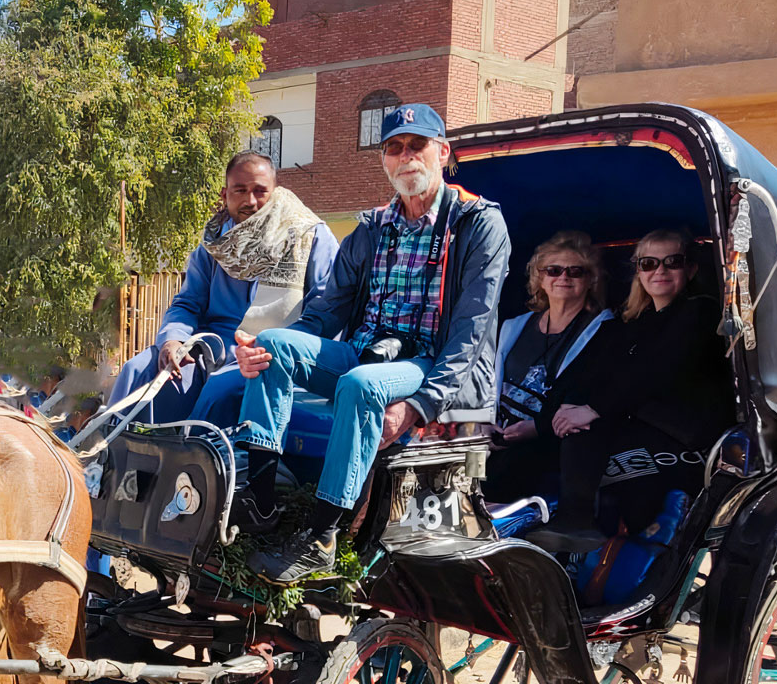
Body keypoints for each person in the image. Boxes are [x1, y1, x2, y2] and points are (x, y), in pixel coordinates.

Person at [232, 103, 511, 582]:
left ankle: (321, 537)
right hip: (367, 351)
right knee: (274, 343)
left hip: (432, 364)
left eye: (417, 146)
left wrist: (420, 405)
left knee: (362, 385)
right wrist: (262, 350)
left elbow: (472, 331)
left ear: (442, 153)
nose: (406, 157)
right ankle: (260, 502)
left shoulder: (478, 223)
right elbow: (325, 312)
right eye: (394, 148)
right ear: (384, 160)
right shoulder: (371, 228)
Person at [524, 229, 733, 555]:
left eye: (672, 263)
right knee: (559, 433)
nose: (659, 271)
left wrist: (593, 409)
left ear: (690, 270)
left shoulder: (700, 312)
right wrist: (553, 416)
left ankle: (577, 523)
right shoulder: (634, 321)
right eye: (648, 263)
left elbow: (657, 372)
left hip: (688, 436)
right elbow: (596, 373)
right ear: (638, 271)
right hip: (642, 423)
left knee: (586, 431)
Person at [107, 151, 337, 428]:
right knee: (139, 371)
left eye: (260, 191)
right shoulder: (214, 244)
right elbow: (187, 303)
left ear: (275, 192)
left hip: (272, 354)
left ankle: (190, 463)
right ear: (225, 193)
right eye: (240, 190)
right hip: (212, 349)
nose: (250, 201)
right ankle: (118, 464)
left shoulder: (310, 235)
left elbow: (328, 309)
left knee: (219, 392)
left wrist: (276, 346)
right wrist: (172, 340)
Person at [483, 231, 616, 502]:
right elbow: (485, 382)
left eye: (575, 271)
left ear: (590, 279)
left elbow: (594, 394)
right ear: (539, 279)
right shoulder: (513, 326)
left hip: (548, 438)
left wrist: (536, 428)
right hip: (494, 433)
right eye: (553, 270)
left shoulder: (604, 330)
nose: (563, 277)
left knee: (506, 472)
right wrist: (483, 425)